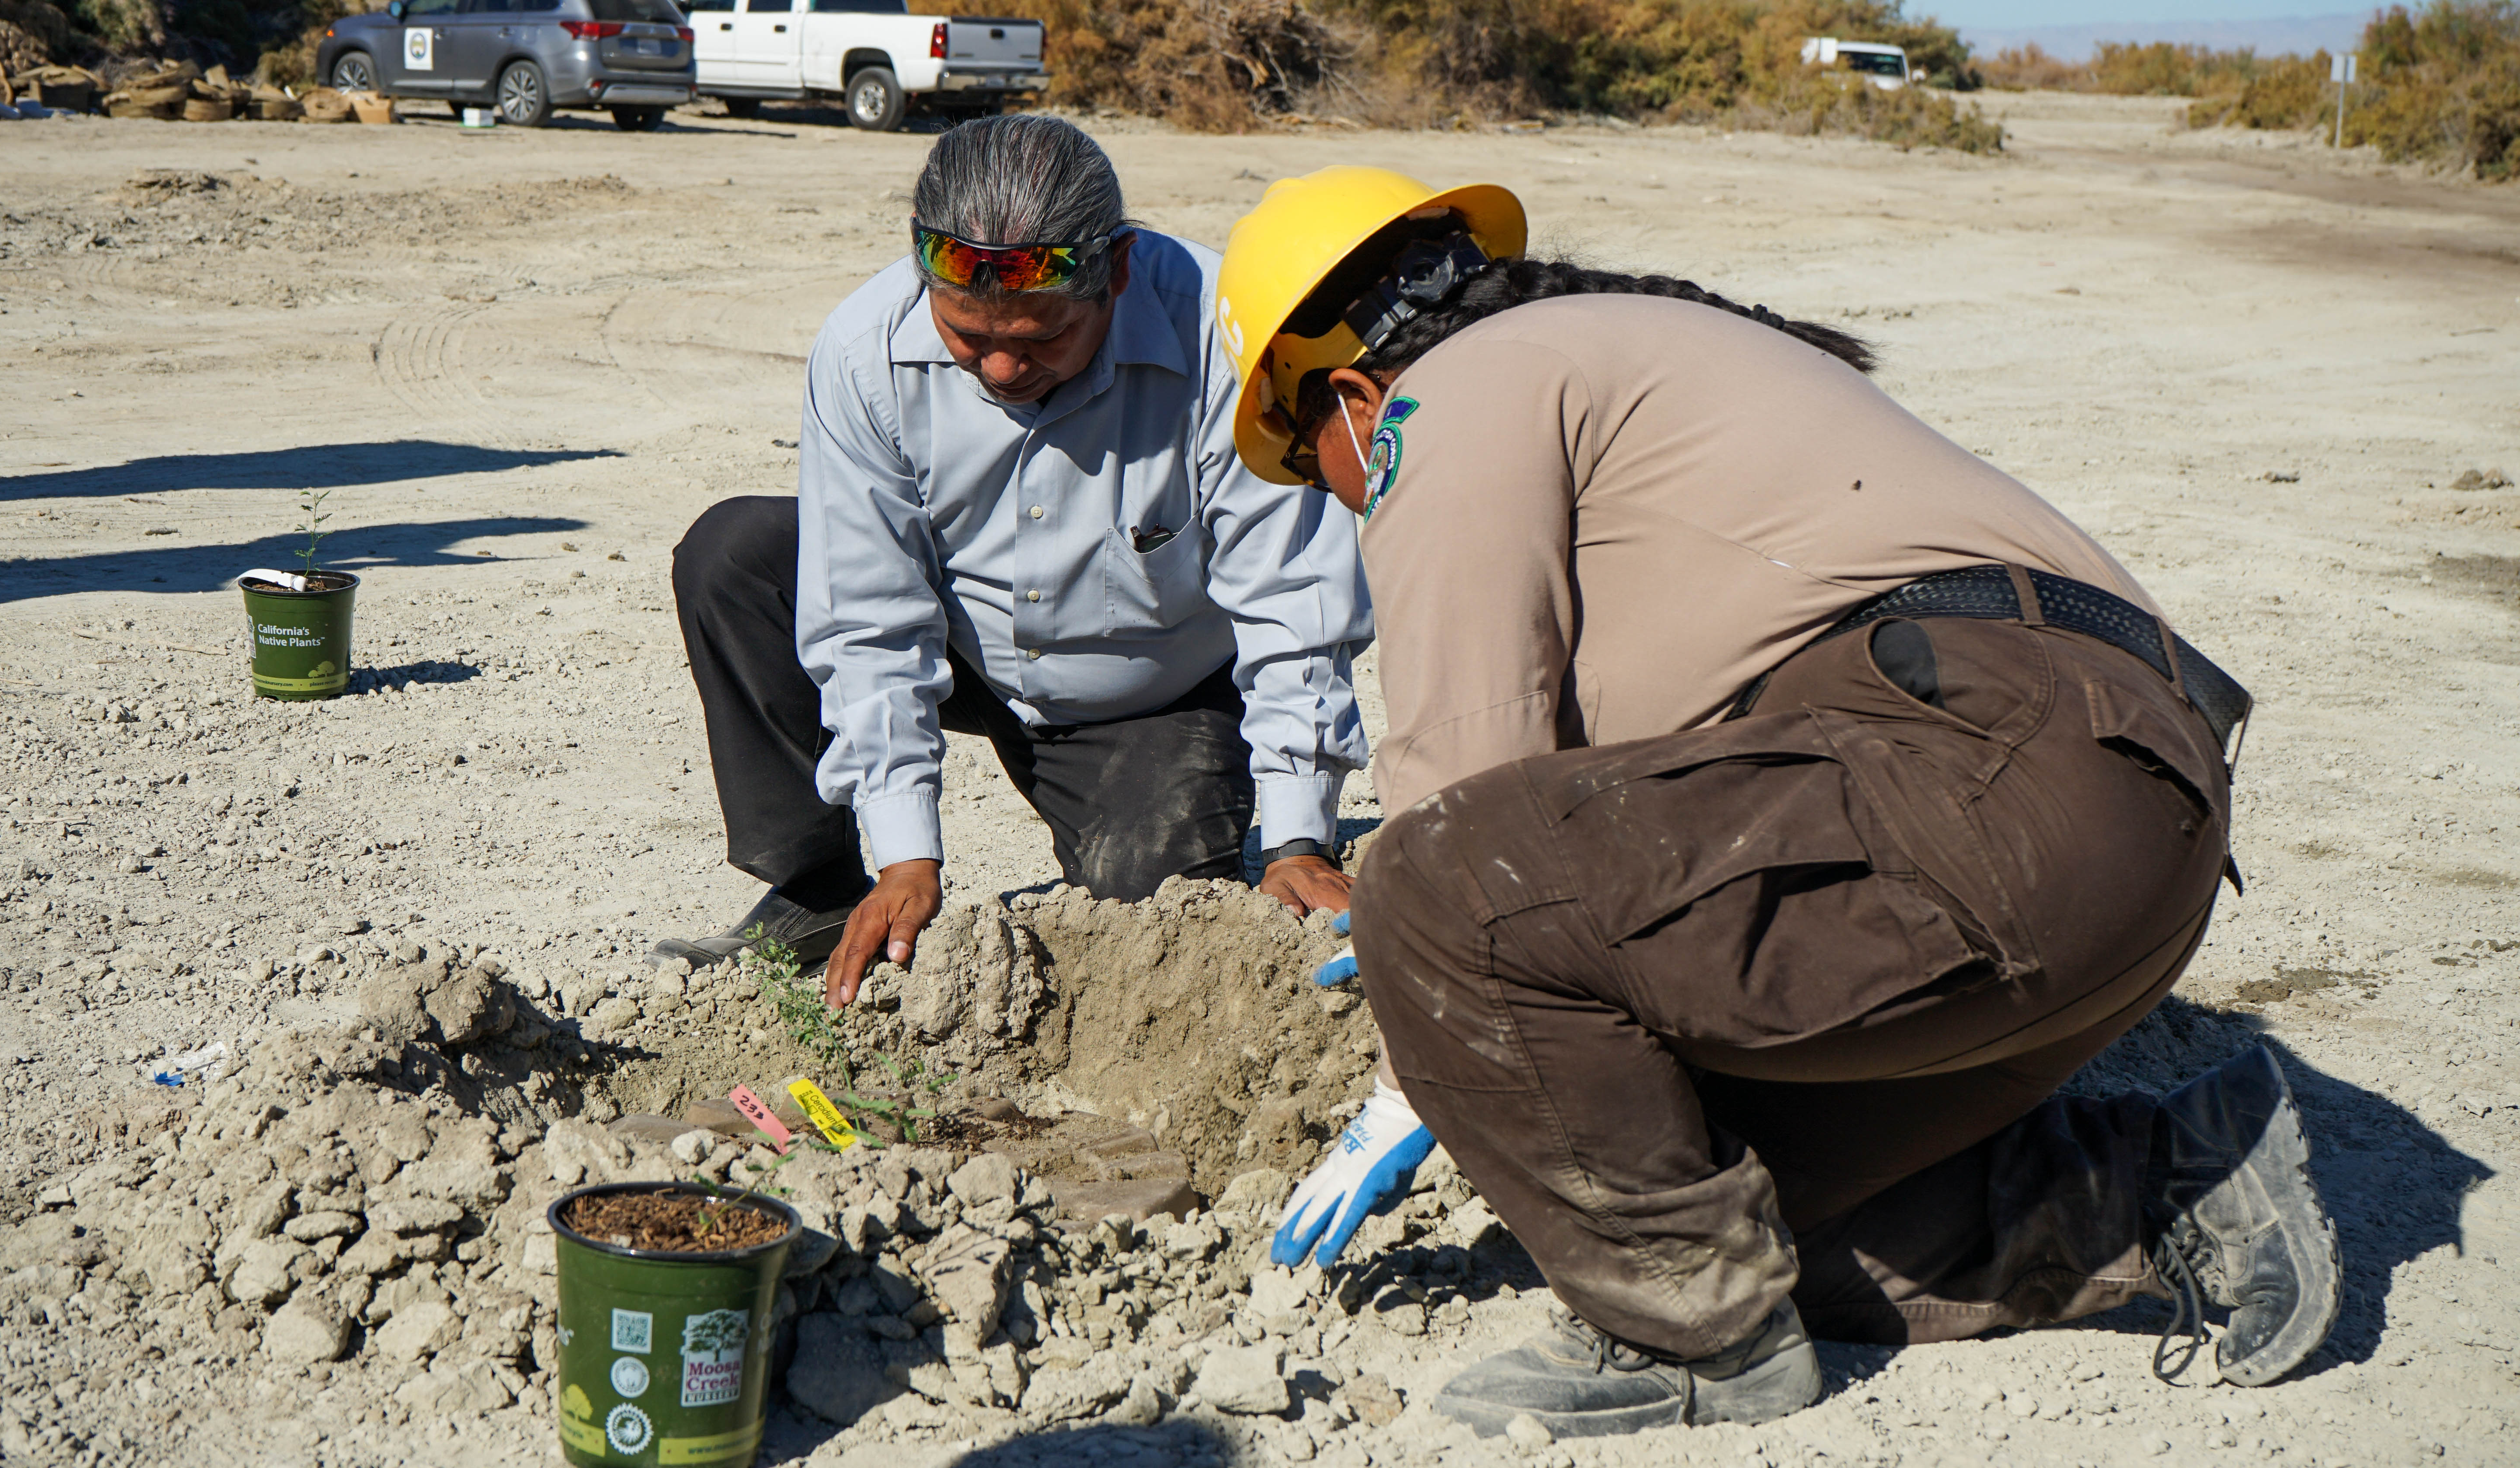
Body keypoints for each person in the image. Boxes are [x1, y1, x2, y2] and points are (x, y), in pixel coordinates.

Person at [1224, 168, 2339, 1438]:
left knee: (1428, 876)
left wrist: (1415, 1032)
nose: (1345, 503)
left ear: (1354, 398)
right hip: (2116, 835)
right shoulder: (1637, 385)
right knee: (1691, 1196)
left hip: (1994, 773)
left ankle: (1696, 1352)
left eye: (1318, 472)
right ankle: (2180, 1184)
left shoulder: (1451, 392)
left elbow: (1463, 778)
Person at [654, 117, 1371, 1006]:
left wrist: (1300, 838)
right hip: (965, 639)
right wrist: (906, 854)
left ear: (1113, 273)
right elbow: (865, 610)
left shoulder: (1226, 334)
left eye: (1038, 340)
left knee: (1157, 924)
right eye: (967, 337)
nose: (1000, 367)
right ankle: (819, 889)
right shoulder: (864, 347)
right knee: (739, 555)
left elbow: (1293, 595)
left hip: (1152, 690)